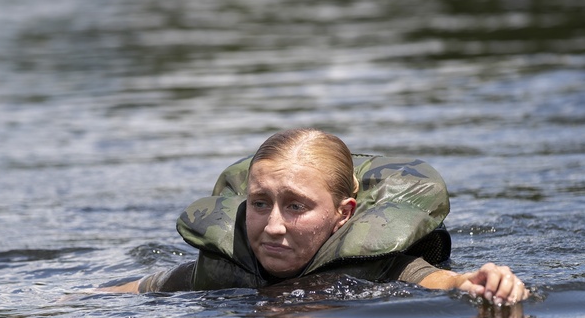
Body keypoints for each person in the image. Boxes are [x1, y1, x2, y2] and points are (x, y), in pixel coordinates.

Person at [104, 128, 528, 303]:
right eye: (259, 203)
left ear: (344, 214)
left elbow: (437, 280)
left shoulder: (379, 266)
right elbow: (144, 286)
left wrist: (478, 284)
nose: (272, 226)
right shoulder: (222, 268)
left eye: (295, 206)